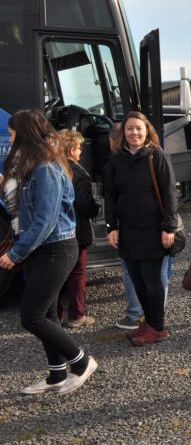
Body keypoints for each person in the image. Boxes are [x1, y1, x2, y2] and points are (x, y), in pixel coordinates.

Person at [1, 109, 98, 395]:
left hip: (55, 248)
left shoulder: (46, 168)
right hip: (42, 249)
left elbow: (45, 219)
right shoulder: (31, 165)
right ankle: (56, 375)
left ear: (25, 134)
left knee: (31, 317)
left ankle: (81, 362)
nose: (9, 138)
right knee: (48, 314)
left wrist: (16, 253)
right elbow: (23, 212)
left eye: (12, 132)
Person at [104, 111, 180, 346]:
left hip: (153, 229)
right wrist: (111, 226)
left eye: (139, 128)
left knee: (151, 279)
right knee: (136, 279)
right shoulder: (116, 160)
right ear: (123, 133)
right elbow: (111, 197)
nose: (134, 132)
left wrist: (169, 227)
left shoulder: (157, 156)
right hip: (127, 230)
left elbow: (169, 194)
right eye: (129, 129)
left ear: (147, 131)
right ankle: (148, 321)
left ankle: (157, 326)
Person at [56, 130, 101, 329]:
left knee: (56, 275)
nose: (81, 151)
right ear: (72, 149)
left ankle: (54, 315)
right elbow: (85, 206)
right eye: (79, 147)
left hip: (55, 232)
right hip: (77, 231)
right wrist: (97, 207)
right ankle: (76, 315)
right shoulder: (79, 173)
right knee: (77, 273)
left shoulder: (52, 168)